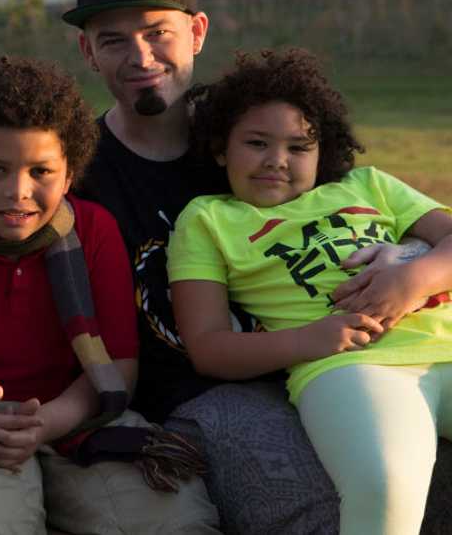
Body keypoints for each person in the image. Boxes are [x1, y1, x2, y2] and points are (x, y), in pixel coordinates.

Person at [66, 0, 452, 533]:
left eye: (157, 32)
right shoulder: (81, 176)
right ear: (87, 50)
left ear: (196, 32)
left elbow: (364, 207)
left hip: (375, 351)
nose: (140, 56)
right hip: (208, 388)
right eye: (113, 39)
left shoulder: (258, 126)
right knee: (319, 506)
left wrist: (411, 262)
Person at [0, 55, 219, 535]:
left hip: (79, 415)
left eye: (41, 172)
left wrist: (45, 422)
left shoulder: (95, 232)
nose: (18, 191)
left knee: (171, 519)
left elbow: (117, 365)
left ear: (70, 174)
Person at [168, 48, 452, 535]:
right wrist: (312, 339)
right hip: (351, 367)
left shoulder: (368, 186)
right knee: (384, 485)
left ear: (323, 152)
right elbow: (209, 347)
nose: (276, 161)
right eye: (256, 143)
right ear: (221, 148)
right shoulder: (208, 219)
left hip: (444, 339)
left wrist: (412, 279)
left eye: (299, 148)